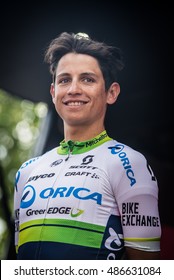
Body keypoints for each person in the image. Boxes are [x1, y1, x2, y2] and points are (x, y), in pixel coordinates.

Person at [14, 31, 161, 260]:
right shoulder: (27, 171)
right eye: (64, 80)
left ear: (111, 93)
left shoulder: (128, 163)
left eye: (87, 79)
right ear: (53, 93)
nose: (74, 89)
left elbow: (148, 268)